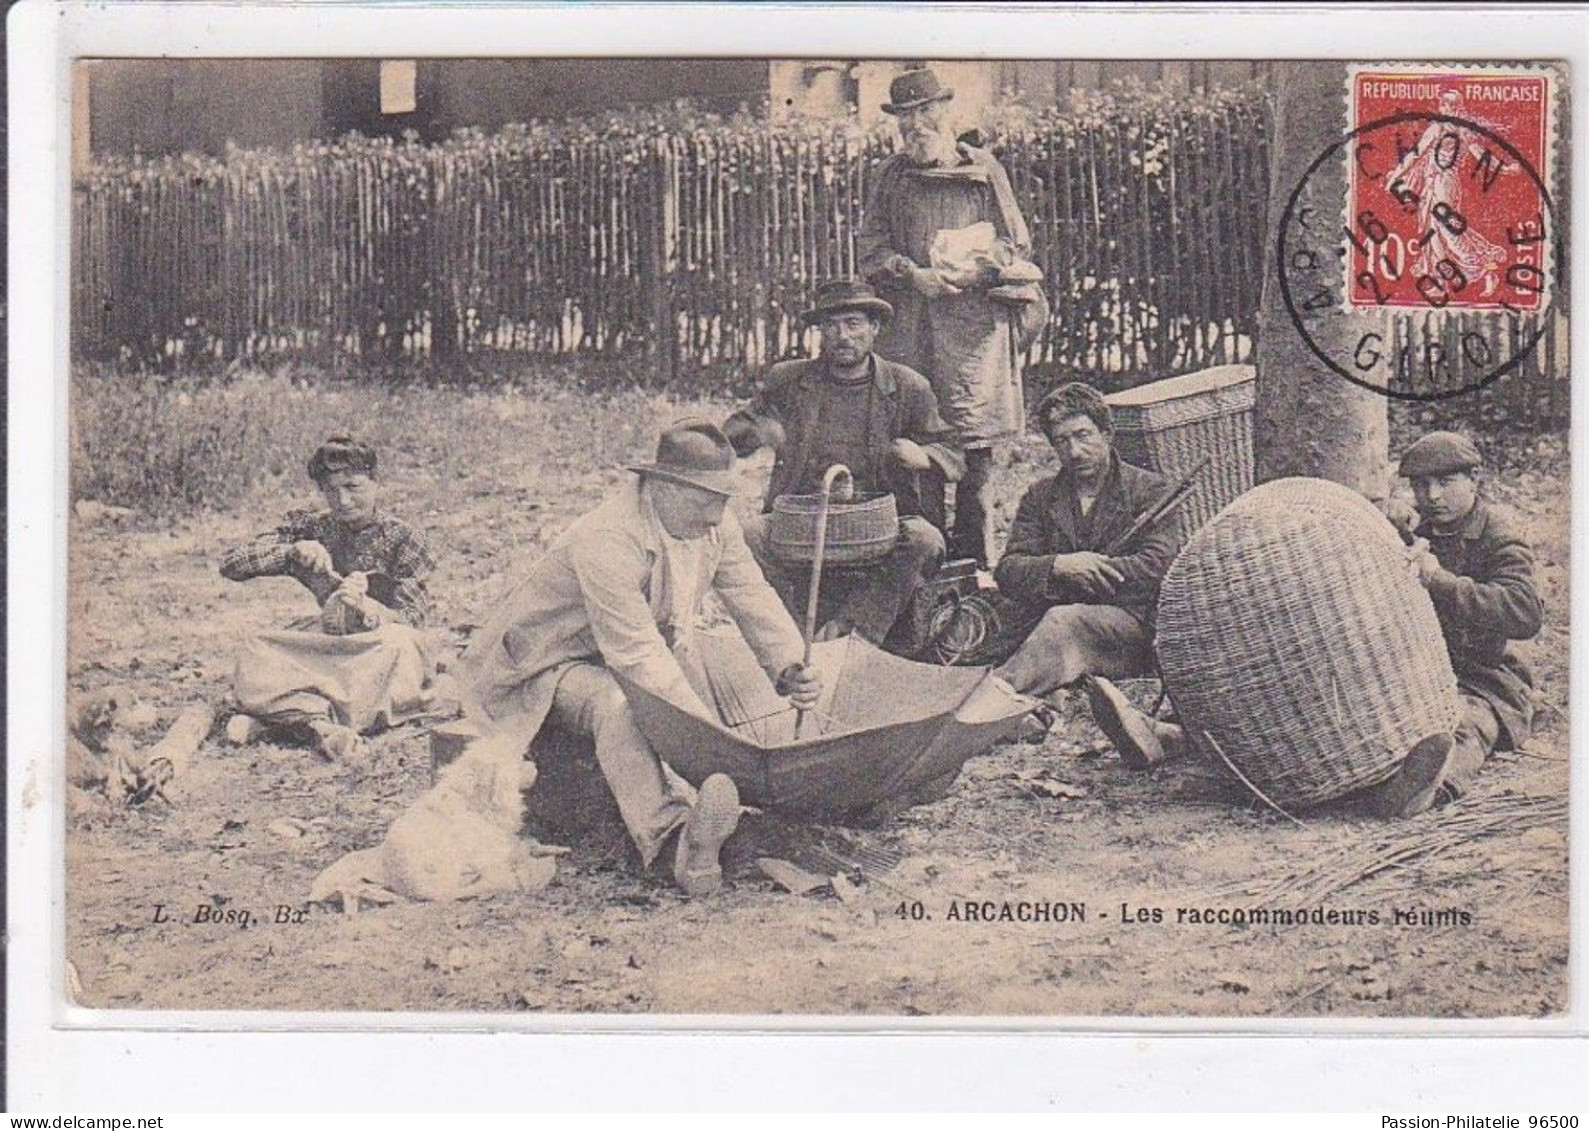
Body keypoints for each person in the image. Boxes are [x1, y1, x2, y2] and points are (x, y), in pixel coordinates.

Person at [1085, 431, 1544, 817]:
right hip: (1405, 662)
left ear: (1474, 481)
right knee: (1300, 698)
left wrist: (1441, 582)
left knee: (1463, 727)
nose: (1432, 497)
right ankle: (1167, 733)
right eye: (1422, 486)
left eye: (1445, 483)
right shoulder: (1418, 528)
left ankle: (1426, 789)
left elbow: (1524, 612)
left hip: (1481, 676)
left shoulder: (1499, 537)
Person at [452, 420, 823, 897]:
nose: (717, 516)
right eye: (706, 500)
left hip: (623, 649)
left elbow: (750, 594)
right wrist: (709, 745)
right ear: (665, 487)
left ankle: (712, 807)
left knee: (707, 660)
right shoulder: (607, 539)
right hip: (543, 664)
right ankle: (672, 843)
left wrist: (790, 666)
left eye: (723, 498)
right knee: (621, 706)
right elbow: (639, 659)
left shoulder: (712, 523)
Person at [857, 66, 1041, 568]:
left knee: (977, 459)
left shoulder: (983, 169)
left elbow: (1014, 242)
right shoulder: (891, 177)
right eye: (905, 117)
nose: (916, 125)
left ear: (945, 112)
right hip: (911, 334)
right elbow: (870, 250)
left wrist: (974, 267)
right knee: (922, 456)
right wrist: (911, 273)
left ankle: (978, 571)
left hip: (976, 337)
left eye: (925, 112)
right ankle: (930, 573)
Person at [724, 278, 959, 649]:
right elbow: (732, 436)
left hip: (880, 522)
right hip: (802, 519)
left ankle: (852, 633)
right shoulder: (790, 381)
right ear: (820, 332)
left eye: (853, 324)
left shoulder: (908, 387)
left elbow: (954, 451)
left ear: (874, 328)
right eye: (832, 326)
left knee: (925, 539)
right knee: (748, 535)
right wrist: (759, 432)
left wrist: (925, 456)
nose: (842, 336)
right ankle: (795, 634)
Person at [220, 434, 441, 760]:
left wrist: (367, 608)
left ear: (375, 482)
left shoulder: (403, 538)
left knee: (398, 648)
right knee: (257, 648)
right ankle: (318, 723)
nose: (343, 501)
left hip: (380, 645)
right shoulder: (315, 527)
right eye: (331, 491)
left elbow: (413, 619)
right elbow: (232, 564)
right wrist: (291, 551)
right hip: (332, 641)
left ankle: (290, 720)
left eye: (353, 487)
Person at [989, 382, 1181, 700]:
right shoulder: (1040, 497)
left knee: (1065, 622)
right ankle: (1028, 705)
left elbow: (1158, 566)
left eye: (1083, 435)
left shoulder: (1149, 490)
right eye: (1062, 442)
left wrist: (1092, 571)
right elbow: (1009, 569)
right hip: (1048, 621)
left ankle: (993, 700)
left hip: (1127, 630)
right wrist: (1060, 566)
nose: (1075, 452)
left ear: (1106, 434)